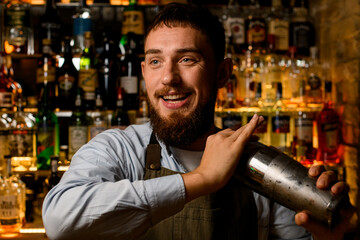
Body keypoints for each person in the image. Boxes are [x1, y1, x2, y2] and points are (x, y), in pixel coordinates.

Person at [42, 3, 355, 240]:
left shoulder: (262, 168)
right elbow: (60, 222)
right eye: (155, 61)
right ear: (144, 71)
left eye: (187, 59)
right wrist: (202, 179)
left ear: (222, 74)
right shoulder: (118, 149)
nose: (168, 78)